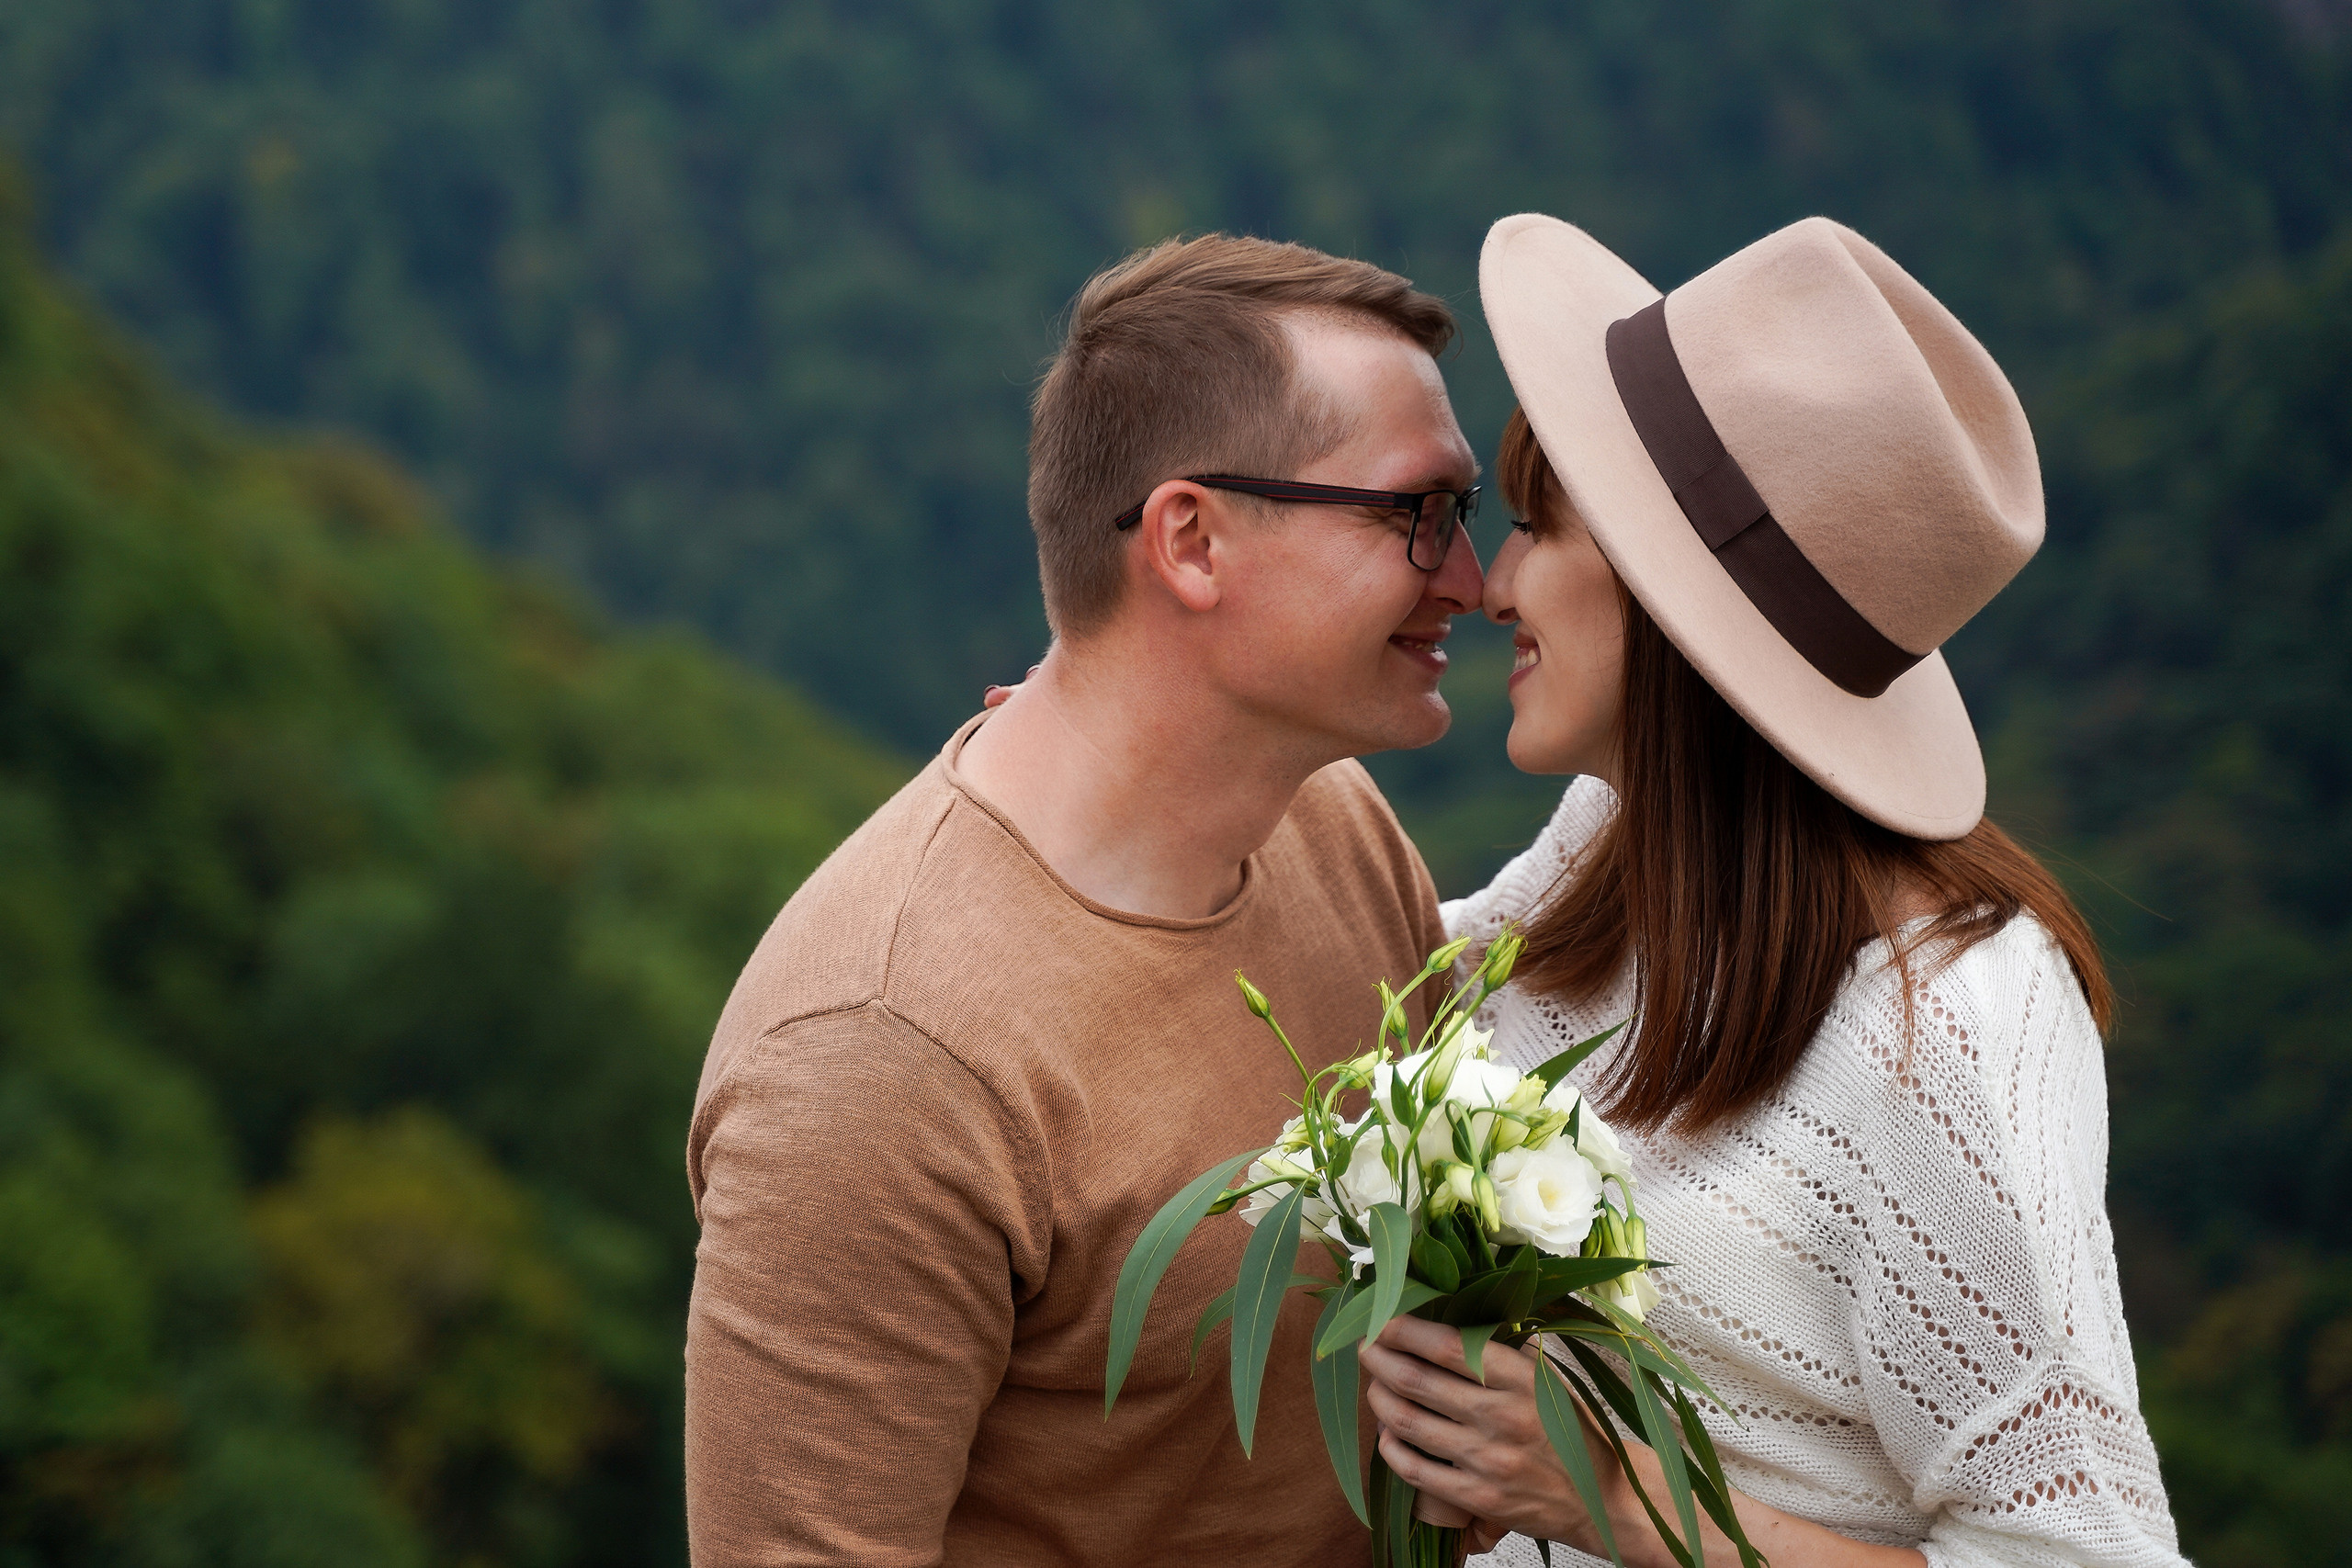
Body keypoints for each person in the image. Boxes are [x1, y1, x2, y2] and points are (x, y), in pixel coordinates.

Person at [1358, 216, 2188, 1567]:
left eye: (1540, 528)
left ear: (1668, 600)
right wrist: (1125, 746)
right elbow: (1376, 1001)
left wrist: (1614, 1498)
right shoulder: (1619, 843)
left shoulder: (1948, 1032)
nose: (1493, 586)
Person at [683, 233, 1487, 1564]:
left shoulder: (1336, 827)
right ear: (1193, 541)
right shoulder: (879, 1059)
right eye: (1418, 512)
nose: (1469, 578)